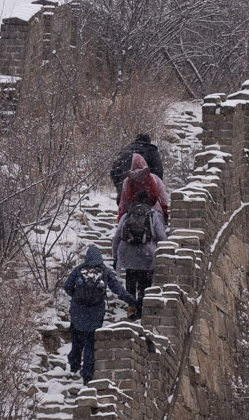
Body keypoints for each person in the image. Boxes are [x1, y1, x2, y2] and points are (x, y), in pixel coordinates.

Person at [62, 245, 135, 382]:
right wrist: (132, 300)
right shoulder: (105, 271)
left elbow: (67, 287)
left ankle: (74, 366)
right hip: (95, 313)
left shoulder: (79, 270)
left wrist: (77, 298)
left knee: (77, 341)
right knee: (90, 343)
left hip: (78, 312)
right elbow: (118, 289)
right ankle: (87, 374)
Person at [112, 194, 168, 319]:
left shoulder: (127, 215)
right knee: (145, 284)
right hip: (146, 254)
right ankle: (142, 310)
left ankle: (132, 311)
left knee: (130, 283)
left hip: (128, 254)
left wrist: (115, 256)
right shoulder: (152, 215)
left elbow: (117, 237)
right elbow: (161, 236)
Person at [117, 153, 171, 226]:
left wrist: (120, 219)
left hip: (133, 212)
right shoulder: (155, 178)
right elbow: (163, 200)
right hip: (154, 210)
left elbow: (123, 204)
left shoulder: (127, 181)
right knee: (160, 232)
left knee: (120, 232)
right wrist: (165, 216)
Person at [110, 133, 164, 201]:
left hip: (125, 191)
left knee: (124, 209)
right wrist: (156, 187)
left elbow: (114, 172)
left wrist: (120, 186)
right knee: (156, 209)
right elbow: (158, 171)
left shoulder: (124, 151)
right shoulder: (151, 151)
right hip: (146, 193)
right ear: (148, 142)